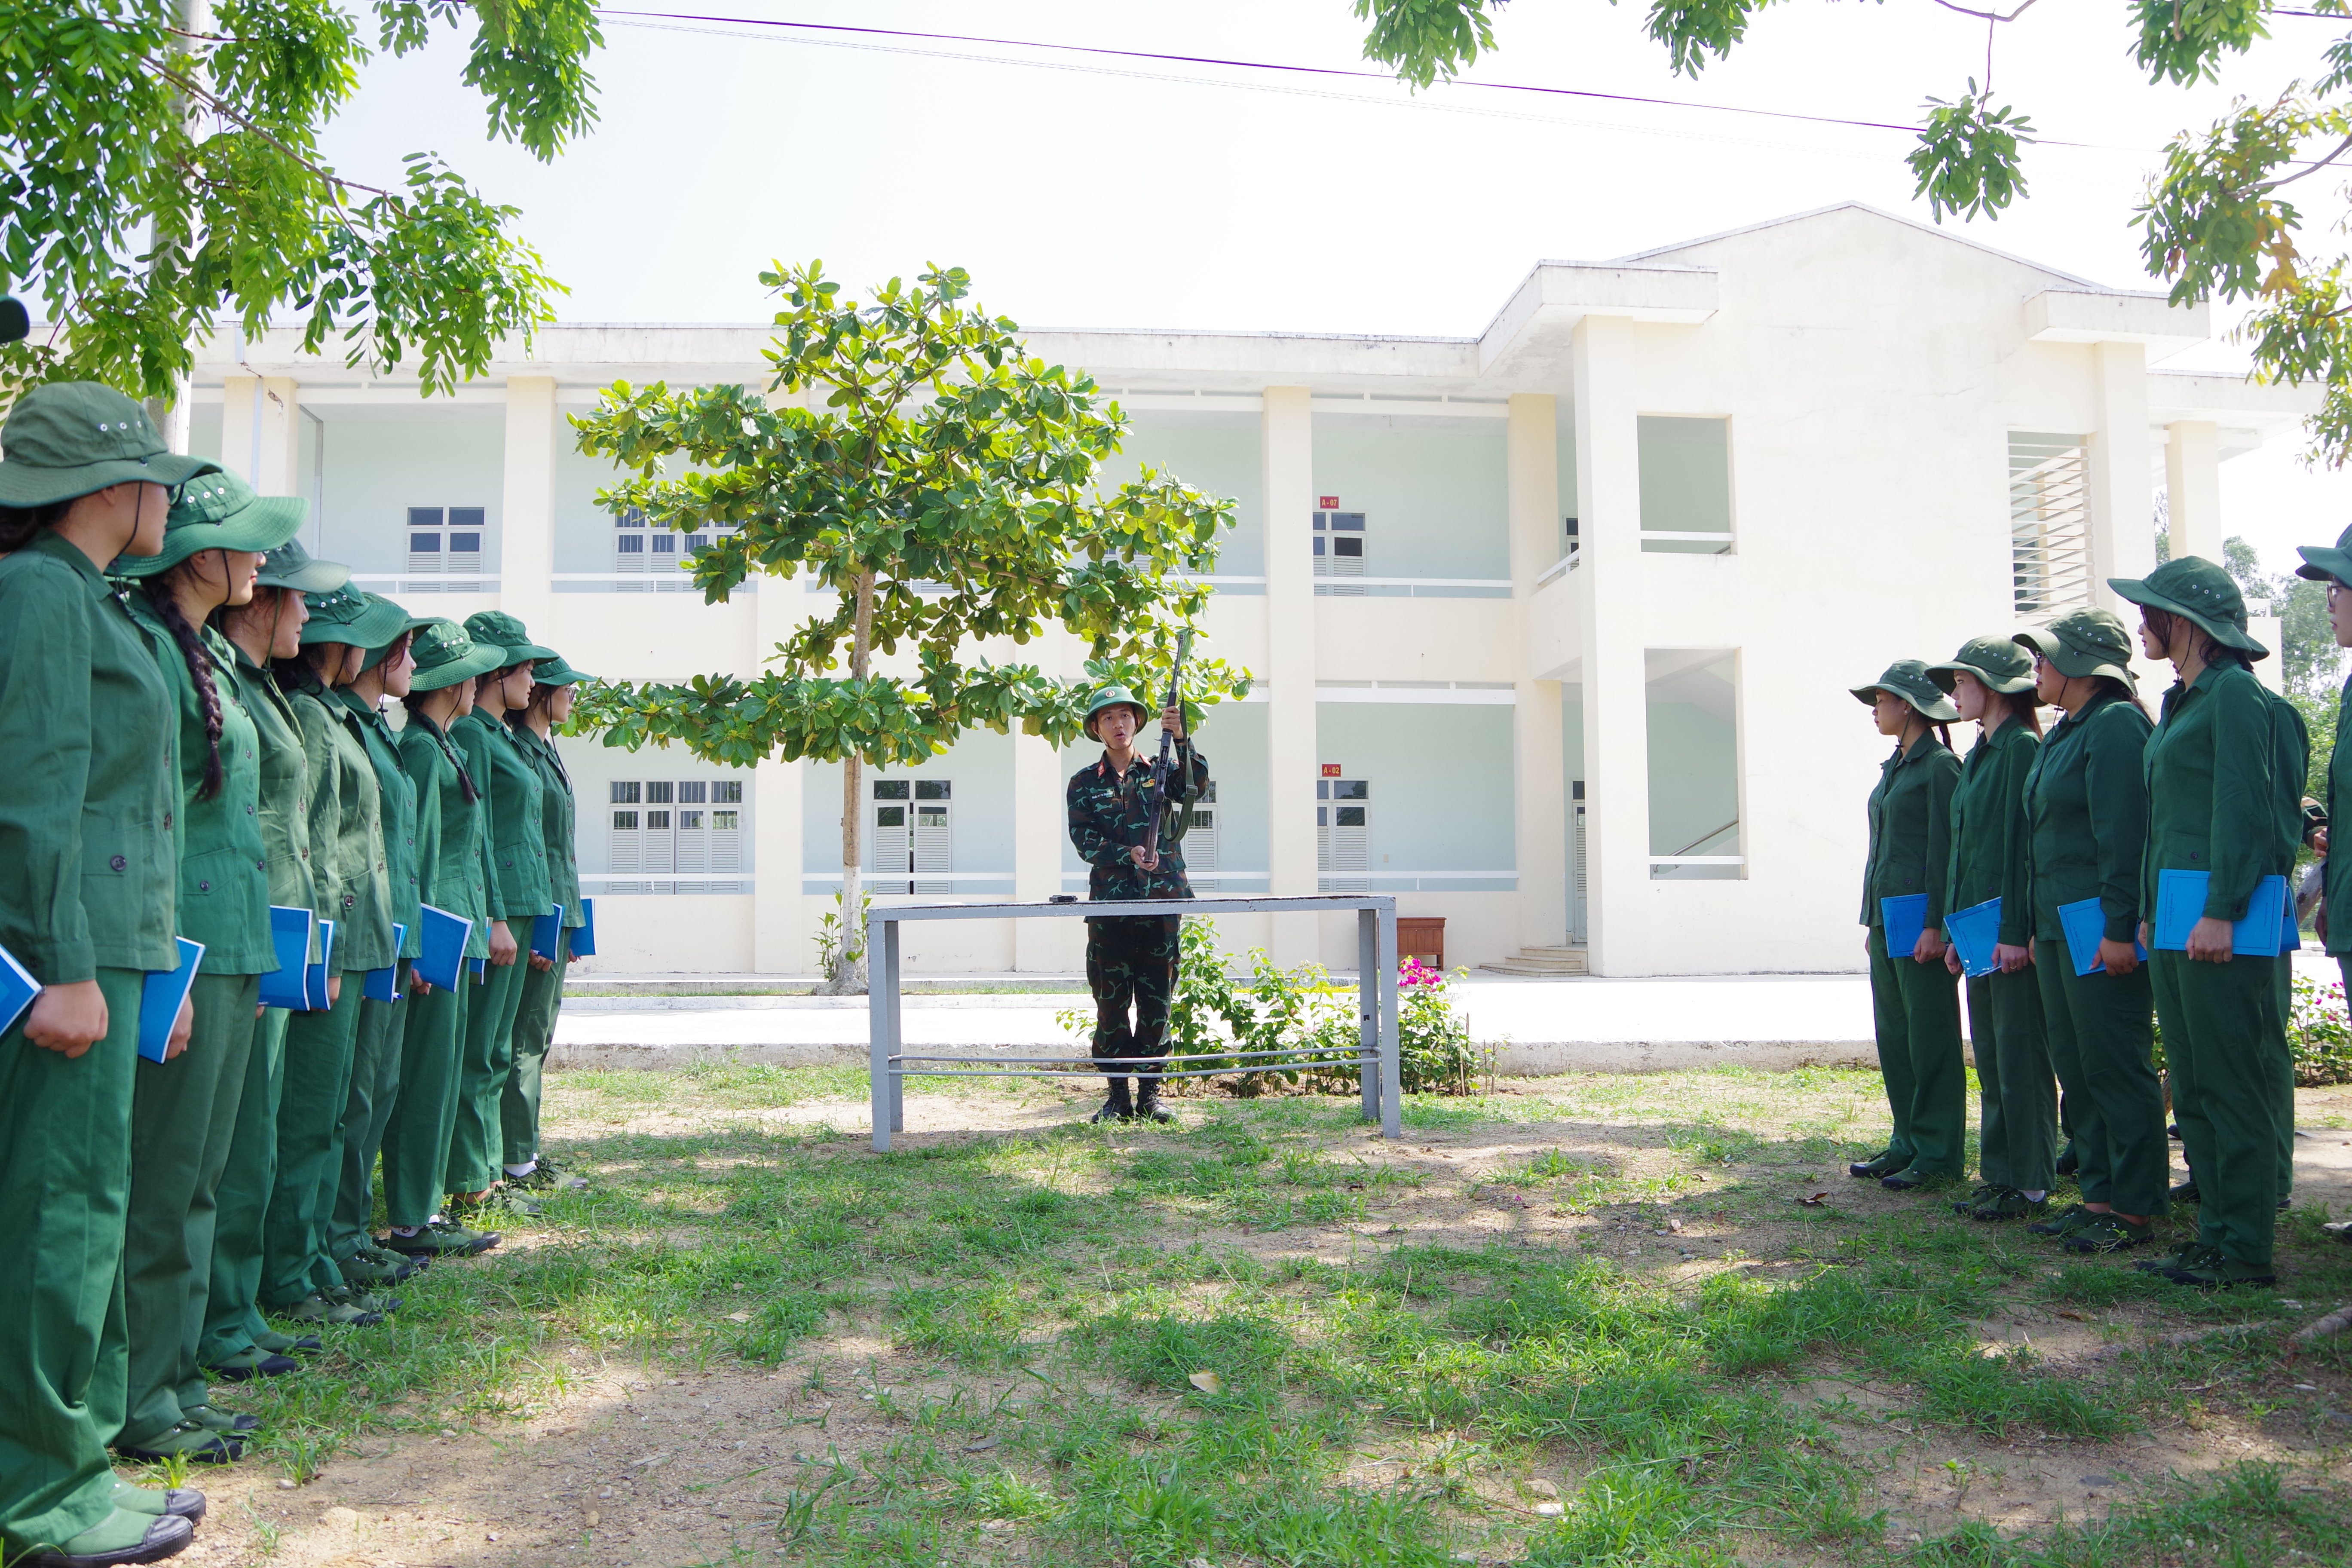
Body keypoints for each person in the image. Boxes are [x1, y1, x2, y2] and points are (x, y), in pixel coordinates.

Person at [0, 383, 216, 1568]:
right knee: (58, 1226)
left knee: (87, 1218)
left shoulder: (84, 597)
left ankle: (72, 1464)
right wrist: (62, 969)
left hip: (113, 953)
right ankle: (42, 1499)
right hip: (68, 957)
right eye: (156, 481)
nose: (165, 505)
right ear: (107, 488)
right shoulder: (42, 592)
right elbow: (37, 798)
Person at [107, 474, 304, 1466]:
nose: (263, 560)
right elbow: (151, 826)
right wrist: (165, 969)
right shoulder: (152, 649)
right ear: (197, 556)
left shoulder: (211, 658)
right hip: (185, 946)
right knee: (164, 1181)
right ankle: (142, 1399)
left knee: (201, 1180)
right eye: (247, 542)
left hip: (231, 944)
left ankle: (177, 1381)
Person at [2112, 558, 2288, 1287]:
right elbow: (2166, 821)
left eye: (2149, 612)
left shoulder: (2235, 694)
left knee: (2228, 1081)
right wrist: (2152, 912)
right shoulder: (2181, 699)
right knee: (2191, 1083)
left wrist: (2221, 908)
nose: (2140, 624)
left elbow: (2244, 807)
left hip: (2217, 918)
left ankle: (2245, 1247)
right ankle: (2214, 1232)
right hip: (2175, 917)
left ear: (2184, 622)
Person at [202, 538, 347, 1384]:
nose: (306, 613)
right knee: (233, 1141)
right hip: (242, 929)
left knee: (260, 1132)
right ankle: (222, 1313)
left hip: (277, 933)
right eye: (297, 596)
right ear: (258, 603)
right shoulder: (223, 677)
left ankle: (239, 1305)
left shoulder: (262, 690)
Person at [259, 586, 406, 1328]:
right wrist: (326, 950)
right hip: (326, 938)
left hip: (347, 935)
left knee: (334, 1111)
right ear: (338, 647)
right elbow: (311, 844)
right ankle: (292, 1268)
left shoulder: (329, 715)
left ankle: (314, 1255)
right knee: (310, 1115)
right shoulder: (314, 717)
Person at [2011, 610, 2170, 1255]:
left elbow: (2123, 836)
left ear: (2081, 664)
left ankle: (2133, 1207)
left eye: (2046, 658)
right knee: (2078, 1070)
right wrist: (2034, 928)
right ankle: (2099, 1198)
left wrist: (2120, 927)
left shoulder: (2116, 725)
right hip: (2058, 926)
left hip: (2099, 925)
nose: (2037, 669)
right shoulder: (2066, 730)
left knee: (2114, 1065)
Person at [379, 622, 506, 1260]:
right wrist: (421, 947)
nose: (479, 684)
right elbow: (419, 857)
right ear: (452, 683)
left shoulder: (443, 745)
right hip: (439, 936)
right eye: (472, 675)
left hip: (459, 936)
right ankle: (411, 1218)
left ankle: (425, 1206)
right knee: (425, 1080)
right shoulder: (425, 752)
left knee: (444, 1074)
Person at [323, 600, 435, 1292]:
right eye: (407, 651)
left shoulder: (377, 730)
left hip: (388, 931)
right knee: (350, 1096)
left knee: (376, 1089)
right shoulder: (342, 723)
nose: (416, 667)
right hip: (358, 931)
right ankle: (338, 1238)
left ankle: (353, 1234)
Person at [1926, 637, 2055, 1221]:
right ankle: (2001, 1172)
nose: (1954, 694)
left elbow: (2019, 849)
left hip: (2007, 929)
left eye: (1961, 682)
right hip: (1977, 929)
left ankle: (2030, 1181)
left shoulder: (2021, 748)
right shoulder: (1982, 750)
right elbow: (1963, 853)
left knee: (2021, 1052)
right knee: (1995, 1055)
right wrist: (1954, 931)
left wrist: (2014, 928)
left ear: (1994, 685)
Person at [446, 611, 555, 1213]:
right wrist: (494, 915)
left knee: (496, 1048)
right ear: (497, 671)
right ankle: (474, 1179)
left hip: (521, 904)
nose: (534, 680)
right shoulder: (471, 736)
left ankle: (490, 1170)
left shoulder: (500, 737)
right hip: (500, 909)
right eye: (526, 668)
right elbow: (478, 834)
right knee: (482, 1050)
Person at [1847, 661, 1966, 1192]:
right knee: (1895, 1035)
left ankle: (1938, 1153)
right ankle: (1908, 1142)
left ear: (1909, 706)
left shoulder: (1939, 767)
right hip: (1887, 919)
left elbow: (1948, 852)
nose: (1875, 710)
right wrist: (1874, 921)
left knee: (1930, 1037)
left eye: (1882, 700)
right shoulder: (1895, 765)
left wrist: (1937, 925)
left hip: (1922, 924)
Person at [1066, 683, 1207, 1124]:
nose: (1118, 724)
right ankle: (1117, 1097)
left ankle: (1150, 1095)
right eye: (1108, 718)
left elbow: (1197, 786)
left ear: (1138, 723)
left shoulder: (1161, 771)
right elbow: (1084, 840)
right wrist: (1125, 854)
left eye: (1125, 716)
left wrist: (1181, 738)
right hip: (1111, 906)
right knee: (1110, 1000)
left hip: (1160, 901)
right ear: (1097, 728)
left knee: (1156, 998)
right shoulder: (1084, 783)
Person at [501, 651, 593, 1194]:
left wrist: (572, 924)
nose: (572, 699)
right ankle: (515, 1161)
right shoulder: (523, 753)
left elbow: (561, 851)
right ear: (540, 695)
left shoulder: (545, 750)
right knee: (524, 1040)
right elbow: (530, 848)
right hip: (539, 913)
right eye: (566, 690)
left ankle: (526, 1152)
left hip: (556, 913)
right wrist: (543, 926)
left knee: (539, 1037)